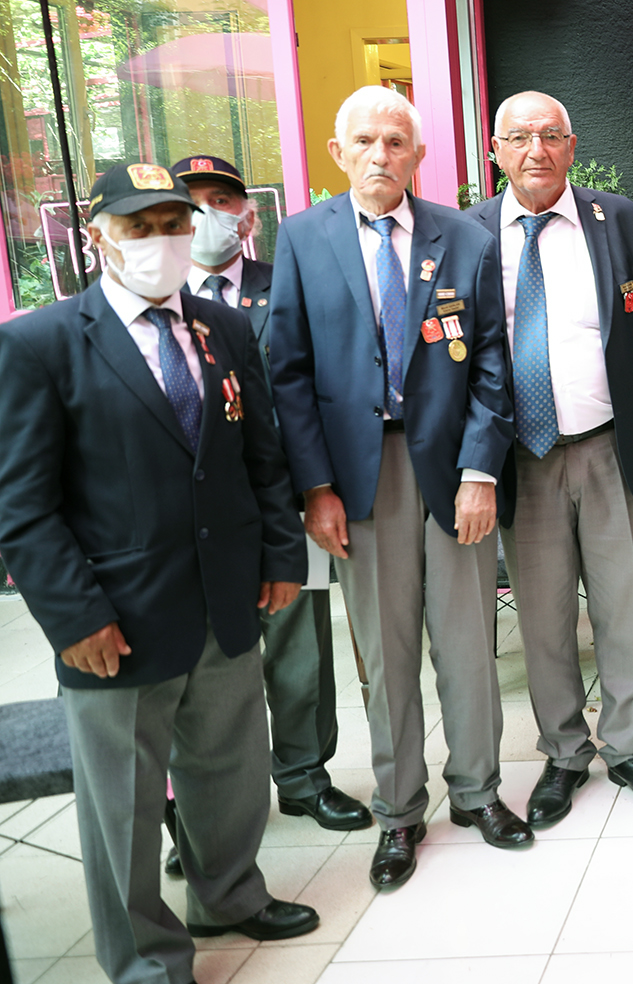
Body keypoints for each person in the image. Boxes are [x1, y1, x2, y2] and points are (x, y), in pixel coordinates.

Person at [0, 162, 319, 983]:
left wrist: (282, 557)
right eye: (138, 228)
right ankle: (145, 957)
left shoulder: (224, 328)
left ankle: (229, 894)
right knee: (127, 803)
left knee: (229, 769)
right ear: (97, 236)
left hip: (227, 594)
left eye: (173, 224)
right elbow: (23, 505)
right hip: (117, 616)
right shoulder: (41, 343)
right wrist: (73, 617)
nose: (162, 241)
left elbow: (261, 457)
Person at [268, 86, 526, 890]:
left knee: (466, 644)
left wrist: (481, 471)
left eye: (395, 141)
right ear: (337, 153)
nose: (380, 154)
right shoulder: (302, 239)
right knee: (386, 655)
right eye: (365, 141)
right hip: (357, 475)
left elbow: (492, 361)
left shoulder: (464, 238)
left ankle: (478, 792)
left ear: (418, 155)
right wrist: (315, 487)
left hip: (451, 470)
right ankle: (399, 811)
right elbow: (288, 372)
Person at [467, 91, 633, 819]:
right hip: (521, 458)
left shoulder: (621, 220)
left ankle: (629, 746)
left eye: (551, 135)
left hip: (608, 448)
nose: (536, 150)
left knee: (624, 605)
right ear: (496, 151)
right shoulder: (468, 234)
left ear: (572, 145)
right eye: (519, 137)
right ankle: (564, 752)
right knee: (543, 615)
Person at [175, 154, 370, 854]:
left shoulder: (284, 282)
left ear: (248, 213)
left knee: (298, 651)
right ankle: (201, 810)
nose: (208, 214)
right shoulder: (154, 301)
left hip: (283, 499)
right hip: (195, 517)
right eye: (192, 202)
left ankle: (304, 776)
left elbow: (307, 383)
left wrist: (317, 488)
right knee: (203, 664)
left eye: (222, 199)